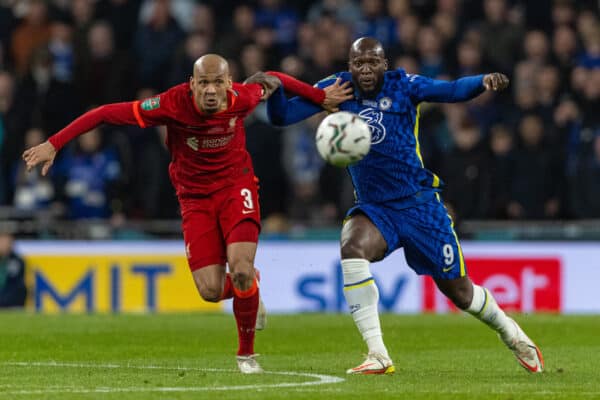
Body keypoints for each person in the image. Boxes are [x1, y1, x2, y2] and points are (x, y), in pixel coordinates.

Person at [22, 54, 353, 373]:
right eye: (203, 83)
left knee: (239, 267)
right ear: (192, 84)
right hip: (194, 199)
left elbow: (274, 79)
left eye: (218, 83)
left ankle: (246, 355)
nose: (211, 90)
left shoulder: (244, 97)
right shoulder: (171, 104)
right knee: (210, 291)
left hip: (236, 189)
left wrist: (320, 96)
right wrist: (55, 142)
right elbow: (106, 113)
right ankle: (250, 286)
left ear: (229, 83)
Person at [265, 37, 544, 375]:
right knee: (352, 248)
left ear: (386, 64)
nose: (365, 70)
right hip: (375, 208)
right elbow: (282, 116)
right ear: (349, 65)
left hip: (419, 205)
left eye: (373, 63)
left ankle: (512, 333)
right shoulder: (336, 89)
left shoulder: (405, 86)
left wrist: (482, 82)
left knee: (461, 293)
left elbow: (452, 90)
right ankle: (377, 354)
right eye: (359, 63)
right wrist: (277, 88)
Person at [0, 230, 27, 308]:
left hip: (11, 299)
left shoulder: (17, 261)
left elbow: (16, 284)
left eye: (6, 242)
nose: (3, 245)